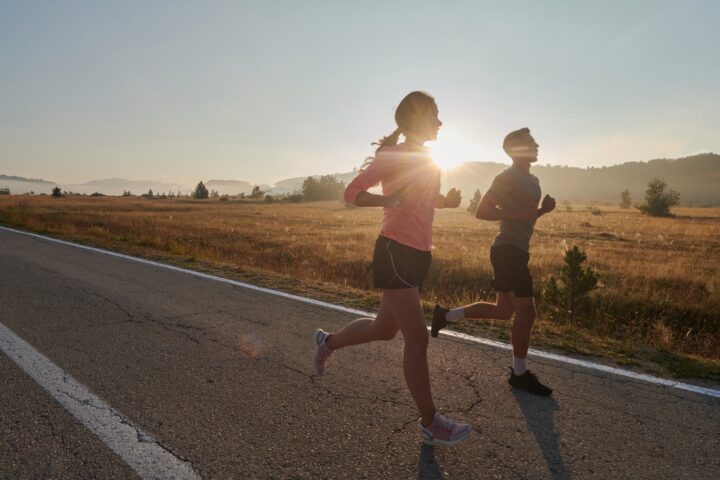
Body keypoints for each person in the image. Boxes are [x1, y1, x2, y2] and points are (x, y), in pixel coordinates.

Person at [311, 91, 471, 446]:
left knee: (384, 329)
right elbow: (352, 192)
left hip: (419, 254)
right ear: (416, 118)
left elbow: (426, 198)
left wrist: (448, 202)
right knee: (416, 337)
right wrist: (388, 199)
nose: (441, 122)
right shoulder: (394, 156)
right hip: (394, 251)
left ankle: (327, 342)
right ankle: (431, 423)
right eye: (434, 114)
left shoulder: (431, 159)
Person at [431, 127, 556, 397]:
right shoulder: (506, 177)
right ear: (516, 150)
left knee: (503, 311)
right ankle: (519, 375)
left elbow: (524, 218)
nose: (537, 145)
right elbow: (482, 211)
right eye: (531, 142)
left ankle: (445, 315)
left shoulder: (532, 181)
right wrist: (519, 212)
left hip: (517, 250)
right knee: (527, 312)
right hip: (507, 250)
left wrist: (541, 211)